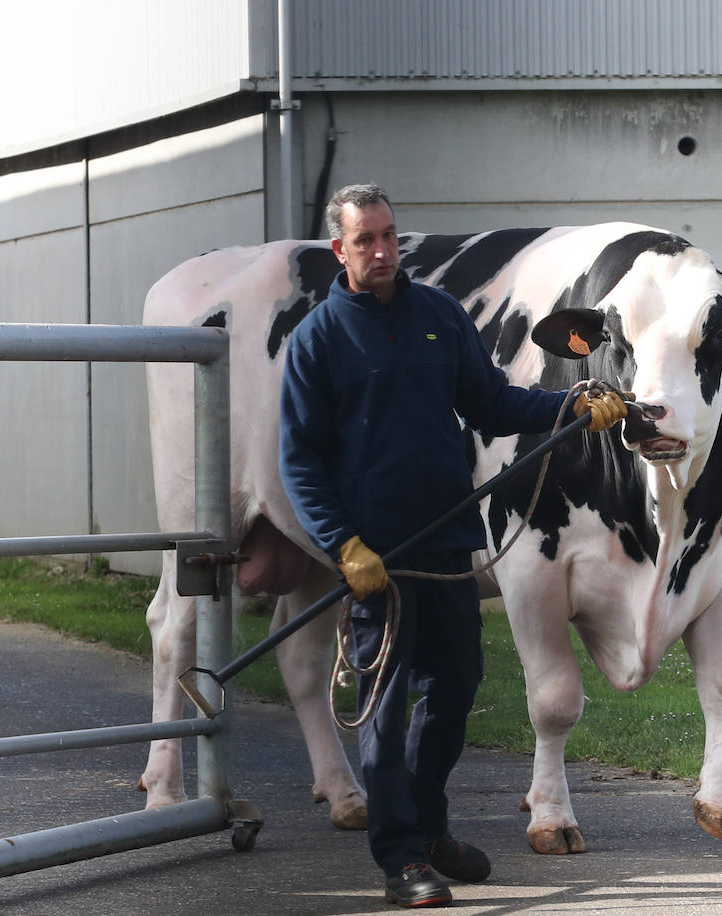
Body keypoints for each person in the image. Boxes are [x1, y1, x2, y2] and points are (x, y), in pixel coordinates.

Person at [279, 183, 626, 908]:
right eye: (365, 240)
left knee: (456, 687)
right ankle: (401, 858)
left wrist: (571, 404)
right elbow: (300, 460)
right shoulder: (318, 340)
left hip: (447, 543)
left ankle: (429, 827)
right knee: (385, 708)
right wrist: (343, 546)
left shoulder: (438, 315)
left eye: (388, 235)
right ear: (338, 250)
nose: (381, 251)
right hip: (376, 559)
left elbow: (493, 401)